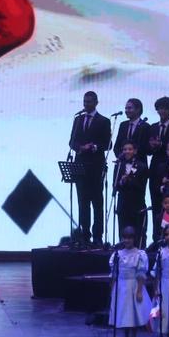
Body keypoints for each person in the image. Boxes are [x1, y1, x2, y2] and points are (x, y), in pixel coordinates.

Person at [68, 91, 111, 246]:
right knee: (82, 202)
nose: (86, 104)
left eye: (89, 102)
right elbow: (72, 142)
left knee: (97, 202)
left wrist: (94, 147)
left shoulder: (104, 121)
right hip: (80, 166)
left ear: (96, 102)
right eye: (85, 101)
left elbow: (108, 144)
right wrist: (80, 147)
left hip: (96, 167)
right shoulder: (78, 119)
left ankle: (98, 236)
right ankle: (85, 235)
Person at [107, 225, 151, 337]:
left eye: (129, 238)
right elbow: (114, 273)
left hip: (133, 285)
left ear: (134, 239)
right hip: (121, 286)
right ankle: (125, 336)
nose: (127, 240)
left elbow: (141, 274)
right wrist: (112, 289)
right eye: (125, 238)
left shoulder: (139, 254)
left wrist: (139, 291)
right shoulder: (117, 254)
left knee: (133, 312)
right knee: (123, 312)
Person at [113, 142, 147, 243]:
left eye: (130, 149)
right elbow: (115, 185)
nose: (127, 151)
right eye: (125, 149)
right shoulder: (119, 165)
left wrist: (130, 180)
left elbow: (142, 186)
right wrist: (121, 181)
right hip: (123, 202)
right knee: (122, 229)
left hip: (136, 203)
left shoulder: (142, 166)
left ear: (135, 151)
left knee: (137, 230)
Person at [112, 99, 149, 164]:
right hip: (122, 163)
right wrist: (121, 157)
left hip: (139, 164)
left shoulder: (145, 126)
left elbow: (146, 148)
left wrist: (131, 158)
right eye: (126, 108)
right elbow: (117, 146)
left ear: (138, 109)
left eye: (129, 108)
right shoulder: (123, 125)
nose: (126, 111)